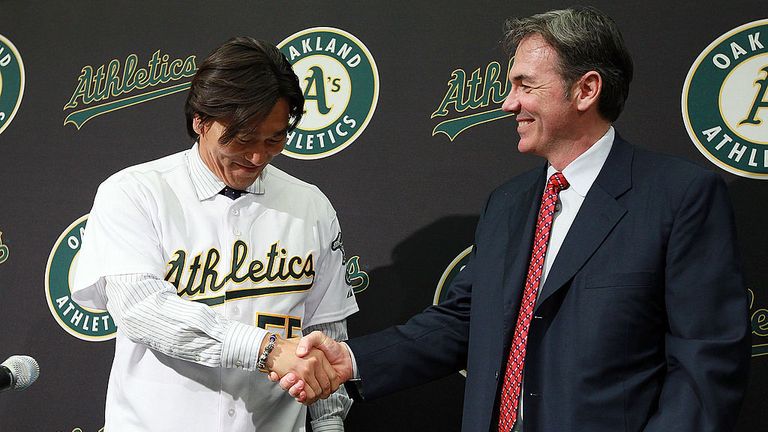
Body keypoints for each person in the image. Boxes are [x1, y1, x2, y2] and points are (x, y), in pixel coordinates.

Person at [273, 6, 751, 432]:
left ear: (586, 89)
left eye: (525, 85)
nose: (508, 103)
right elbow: (463, 322)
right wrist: (351, 360)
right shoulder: (509, 202)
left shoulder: (678, 196)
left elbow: (704, 363)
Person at [71, 37, 358, 432]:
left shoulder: (310, 205)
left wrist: (329, 426)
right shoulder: (135, 191)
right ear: (200, 121)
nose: (258, 156)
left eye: (274, 139)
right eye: (242, 138)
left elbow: (325, 333)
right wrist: (265, 350)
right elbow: (142, 310)